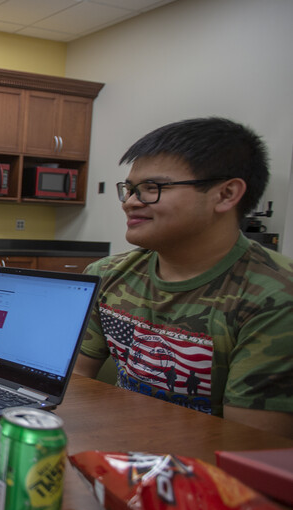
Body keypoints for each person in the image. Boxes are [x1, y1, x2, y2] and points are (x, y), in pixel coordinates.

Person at [73, 117, 293, 437]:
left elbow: (247, 447)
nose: (131, 203)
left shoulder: (275, 298)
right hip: (116, 446)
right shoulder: (107, 275)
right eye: (130, 190)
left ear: (226, 194)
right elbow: (75, 381)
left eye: (152, 188)